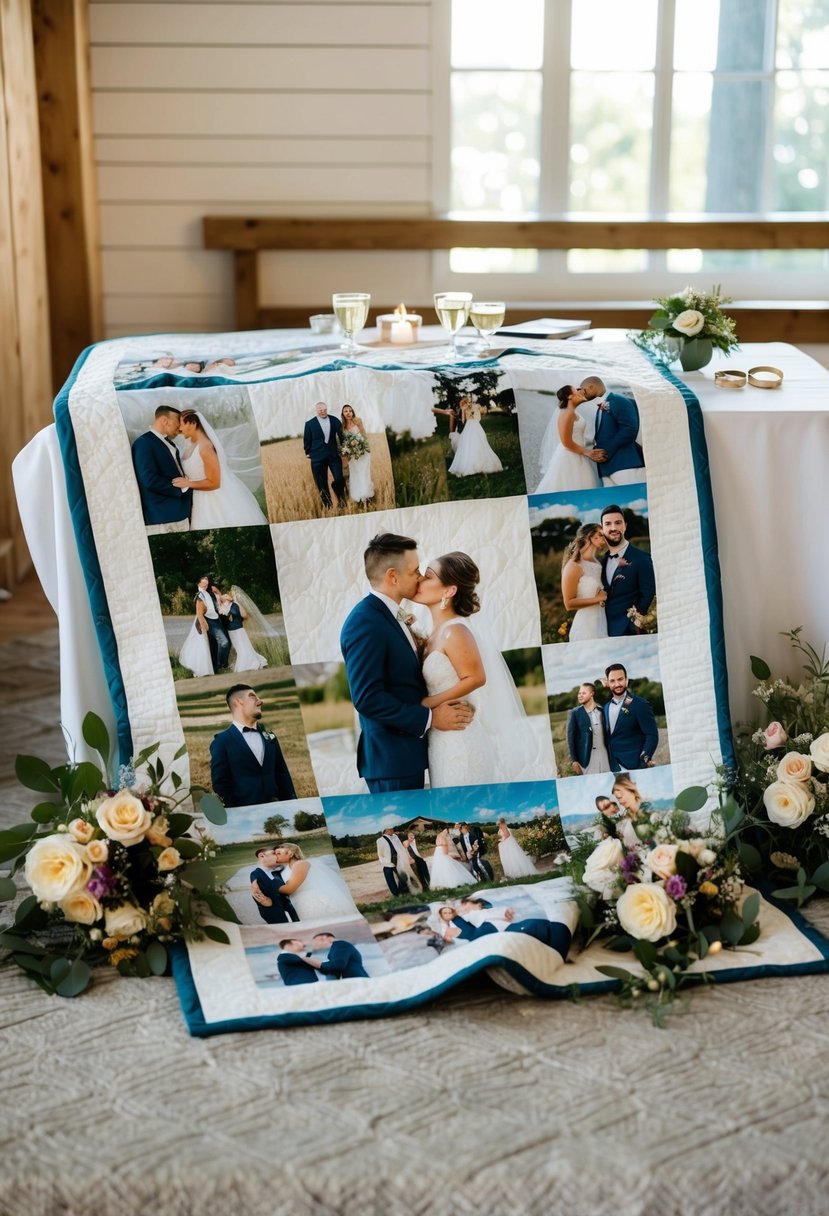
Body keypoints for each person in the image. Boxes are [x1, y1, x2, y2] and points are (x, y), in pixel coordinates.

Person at [340, 534, 473, 794]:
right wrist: (429, 717)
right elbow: (367, 698)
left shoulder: (390, 615)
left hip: (408, 755)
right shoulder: (365, 622)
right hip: (392, 761)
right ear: (393, 576)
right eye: (414, 571)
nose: (420, 577)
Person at [413, 551, 538, 787]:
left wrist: (428, 703)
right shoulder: (435, 634)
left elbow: (476, 677)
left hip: (461, 744)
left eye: (428, 576)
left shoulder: (455, 631)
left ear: (449, 591)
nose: (420, 579)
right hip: (441, 741)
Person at [170, 410, 267, 529]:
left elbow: (215, 482)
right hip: (199, 498)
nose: (179, 429)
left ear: (192, 424)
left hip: (212, 500)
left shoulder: (205, 447)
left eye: (181, 424)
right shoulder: (192, 444)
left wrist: (188, 483)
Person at [209, 684, 296, 807]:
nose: (260, 701)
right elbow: (220, 783)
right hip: (246, 816)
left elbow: (283, 775)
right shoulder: (222, 741)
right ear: (238, 702)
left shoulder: (270, 736)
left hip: (278, 809)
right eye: (253, 697)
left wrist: (293, 804)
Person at [252, 842, 355, 920]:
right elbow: (262, 871)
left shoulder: (301, 864)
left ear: (290, 853)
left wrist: (270, 884)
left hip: (314, 902)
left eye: (278, 853)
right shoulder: (284, 868)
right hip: (300, 904)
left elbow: (289, 889)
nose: (276, 856)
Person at [131, 405, 192, 532]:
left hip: (179, 512)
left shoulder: (170, 443)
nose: (179, 428)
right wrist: (182, 488)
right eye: (177, 422)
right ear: (165, 420)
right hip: (162, 516)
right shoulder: (144, 443)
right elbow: (149, 480)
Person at [535, 385, 606, 494]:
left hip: (578, 452)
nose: (580, 391)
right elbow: (566, 442)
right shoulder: (567, 414)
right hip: (569, 456)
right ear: (569, 396)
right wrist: (588, 452)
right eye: (577, 390)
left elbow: (576, 434)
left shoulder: (572, 411)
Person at [599, 505, 656, 637]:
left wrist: (635, 623)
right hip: (601, 631)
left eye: (618, 523)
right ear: (602, 528)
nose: (613, 528)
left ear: (625, 526)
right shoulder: (601, 561)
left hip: (628, 632)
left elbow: (648, 593)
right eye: (608, 524)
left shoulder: (642, 558)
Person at [579, 376, 645, 486]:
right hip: (606, 469)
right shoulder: (601, 407)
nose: (582, 393)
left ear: (592, 387)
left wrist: (606, 451)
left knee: (636, 501)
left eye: (583, 390)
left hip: (624, 464)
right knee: (616, 503)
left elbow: (630, 429)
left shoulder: (618, 401)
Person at [602, 664, 659, 772]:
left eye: (620, 679)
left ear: (626, 680)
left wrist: (644, 761)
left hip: (635, 766)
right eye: (612, 681)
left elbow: (652, 735)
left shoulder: (640, 704)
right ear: (608, 683)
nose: (617, 684)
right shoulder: (606, 707)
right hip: (613, 767)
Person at [561, 524, 608, 642]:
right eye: (600, 535)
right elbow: (568, 604)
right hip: (586, 626)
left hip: (601, 620)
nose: (604, 538)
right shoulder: (573, 565)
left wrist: (601, 600)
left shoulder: (597, 562)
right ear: (590, 537)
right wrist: (598, 599)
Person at [303, 401, 346, 509]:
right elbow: (307, 440)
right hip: (317, 457)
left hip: (333, 455)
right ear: (316, 411)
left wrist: (345, 450)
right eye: (320, 410)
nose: (322, 412)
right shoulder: (309, 424)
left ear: (327, 409)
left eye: (324, 410)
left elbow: (342, 436)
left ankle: (342, 501)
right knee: (321, 483)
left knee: (339, 479)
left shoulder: (334, 420)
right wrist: (308, 452)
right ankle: (328, 506)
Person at [447, 396, 503, 477]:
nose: (467, 402)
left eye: (466, 401)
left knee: (478, 443)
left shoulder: (476, 406)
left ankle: (479, 464)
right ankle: (473, 465)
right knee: (470, 445)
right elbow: (463, 421)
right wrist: (464, 411)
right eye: (465, 401)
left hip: (474, 426)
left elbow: (479, 415)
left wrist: (474, 411)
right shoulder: (465, 408)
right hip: (470, 426)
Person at [566, 682, 611, 775]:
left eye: (583, 693)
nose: (580, 695)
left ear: (592, 694)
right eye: (579, 693)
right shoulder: (575, 713)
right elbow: (570, 738)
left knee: (608, 785)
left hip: (605, 756)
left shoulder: (602, 711)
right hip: (587, 759)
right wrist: (574, 761)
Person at [218, 590, 267, 672]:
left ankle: (249, 664)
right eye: (224, 596)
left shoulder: (235, 605)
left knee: (245, 647)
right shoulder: (221, 608)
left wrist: (236, 602)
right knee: (239, 648)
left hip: (239, 630)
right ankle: (250, 663)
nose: (226, 596)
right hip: (231, 631)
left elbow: (244, 615)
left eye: (227, 595)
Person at [177, 577, 217, 677]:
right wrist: (204, 624)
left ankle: (207, 667)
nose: (205, 586)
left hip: (205, 619)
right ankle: (202, 669)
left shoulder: (206, 594)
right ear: (198, 585)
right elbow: (199, 614)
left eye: (206, 585)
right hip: (201, 621)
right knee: (202, 643)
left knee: (204, 644)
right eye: (203, 585)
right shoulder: (200, 596)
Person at [248, 846, 299, 925]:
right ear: (262, 856)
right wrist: (266, 901)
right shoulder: (256, 874)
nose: (278, 856)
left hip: (289, 911)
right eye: (274, 853)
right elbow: (257, 893)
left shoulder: (277, 871)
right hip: (276, 914)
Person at [340, 403, 374, 503]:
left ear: (352, 412)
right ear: (342, 413)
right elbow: (345, 442)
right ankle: (358, 496)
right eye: (346, 411)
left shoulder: (358, 421)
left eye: (350, 411)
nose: (348, 413)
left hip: (363, 452)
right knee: (355, 474)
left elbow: (363, 435)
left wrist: (364, 447)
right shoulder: (343, 427)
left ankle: (366, 496)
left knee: (364, 473)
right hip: (352, 455)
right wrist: (347, 452)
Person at [375, 827, 418, 897]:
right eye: (390, 829)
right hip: (388, 863)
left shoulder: (395, 837)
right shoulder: (380, 840)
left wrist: (406, 857)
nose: (392, 830)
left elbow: (401, 847)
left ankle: (404, 892)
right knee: (390, 880)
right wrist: (385, 862)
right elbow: (380, 854)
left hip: (399, 860)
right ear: (385, 831)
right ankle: (396, 895)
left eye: (392, 829)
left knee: (403, 877)